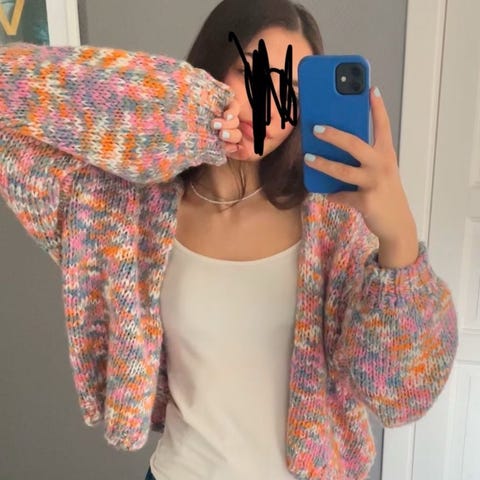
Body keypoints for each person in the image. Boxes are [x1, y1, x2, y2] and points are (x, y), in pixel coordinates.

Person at [0, 0, 458, 479]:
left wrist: (399, 236)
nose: (269, 103)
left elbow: (401, 396)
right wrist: (184, 112)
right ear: (209, 70)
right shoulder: (128, 216)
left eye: (291, 89)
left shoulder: (335, 223)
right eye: (251, 73)